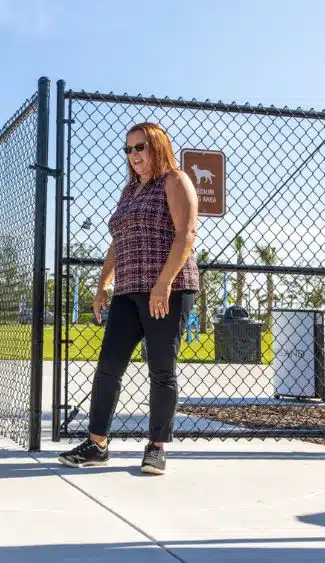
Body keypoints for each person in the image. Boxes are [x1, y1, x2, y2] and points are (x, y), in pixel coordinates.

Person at [58, 122, 199, 476]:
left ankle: (156, 448)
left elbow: (186, 235)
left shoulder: (175, 180)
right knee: (109, 365)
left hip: (169, 288)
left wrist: (163, 285)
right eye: (128, 149)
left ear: (157, 147)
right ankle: (97, 444)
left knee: (161, 368)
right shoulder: (129, 192)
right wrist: (103, 282)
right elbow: (117, 242)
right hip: (128, 290)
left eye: (141, 147)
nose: (134, 155)